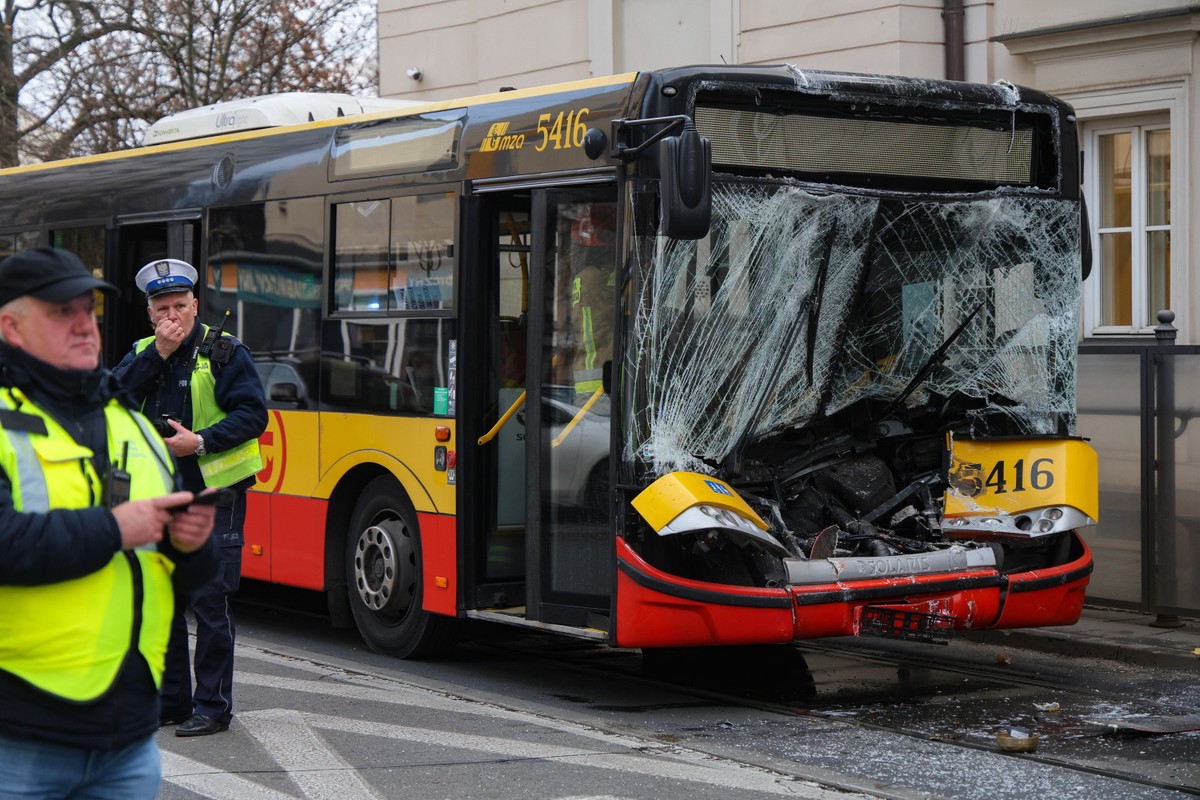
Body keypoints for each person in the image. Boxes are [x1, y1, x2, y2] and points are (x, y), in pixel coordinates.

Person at [0, 247, 217, 798]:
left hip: (128, 741)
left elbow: (182, 575)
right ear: (11, 327)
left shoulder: (135, 428)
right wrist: (117, 528)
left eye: (87, 310)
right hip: (17, 740)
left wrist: (190, 545)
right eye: (60, 312)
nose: (83, 325)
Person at [112, 258, 267, 737]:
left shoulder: (223, 351)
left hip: (212, 495)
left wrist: (199, 441)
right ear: (150, 313)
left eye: (180, 306)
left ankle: (212, 707)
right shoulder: (142, 351)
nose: (172, 316)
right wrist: (157, 353)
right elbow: (111, 402)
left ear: (195, 305)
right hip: (156, 497)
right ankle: (171, 702)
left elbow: (253, 415)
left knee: (209, 600)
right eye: (163, 309)